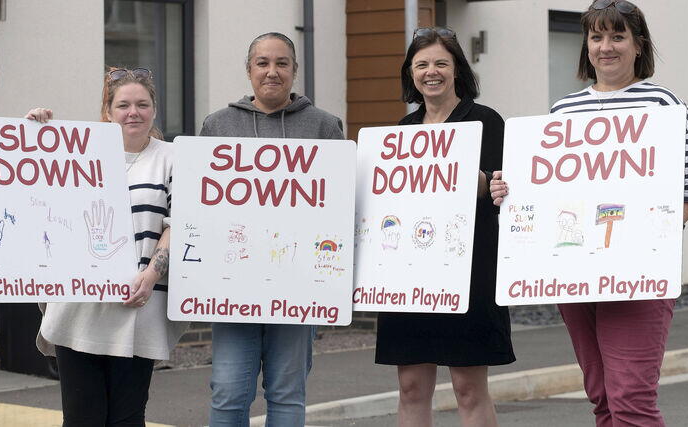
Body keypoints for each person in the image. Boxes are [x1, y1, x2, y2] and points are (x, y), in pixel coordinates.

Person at [490, 0, 688, 426]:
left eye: (617, 36)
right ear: (586, 47)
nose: (605, 46)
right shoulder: (562, 111)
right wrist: (508, 190)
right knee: (603, 398)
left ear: (638, 45)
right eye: (596, 37)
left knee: (631, 397)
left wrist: (647, 240)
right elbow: (547, 192)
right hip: (573, 274)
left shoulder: (664, 106)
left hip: (638, 275)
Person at [26, 67, 188, 426]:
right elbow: (36, 194)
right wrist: (36, 132)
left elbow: (179, 223)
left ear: (155, 109)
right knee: (82, 418)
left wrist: (150, 275)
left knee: (127, 419)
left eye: (142, 104)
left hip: (138, 307)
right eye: (124, 105)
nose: (134, 112)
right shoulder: (79, 152)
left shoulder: (174, 157)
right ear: (108, 111)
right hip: (80, 309)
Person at [199, 32, 344, 426]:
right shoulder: (218, 125)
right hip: (233, 288)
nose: (272, 72)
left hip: (297, 288)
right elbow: (201, 206)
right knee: (228, 393)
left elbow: (338, 207)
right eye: (262, 63)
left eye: (282, 63)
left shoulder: (324, 127)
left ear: (295, 71)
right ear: (249, 70)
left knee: (286, 395)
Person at [375, 27, 515, 427]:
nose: (430, 72)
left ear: (457, 70)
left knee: (469, 388)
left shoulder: (486, 121)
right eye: (421, 64)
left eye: (440, 63)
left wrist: (483, 180)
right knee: (411, 388)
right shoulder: (401, 132)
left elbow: (500, 187)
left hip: (469, 272)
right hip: (409, 274)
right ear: (411, 73)